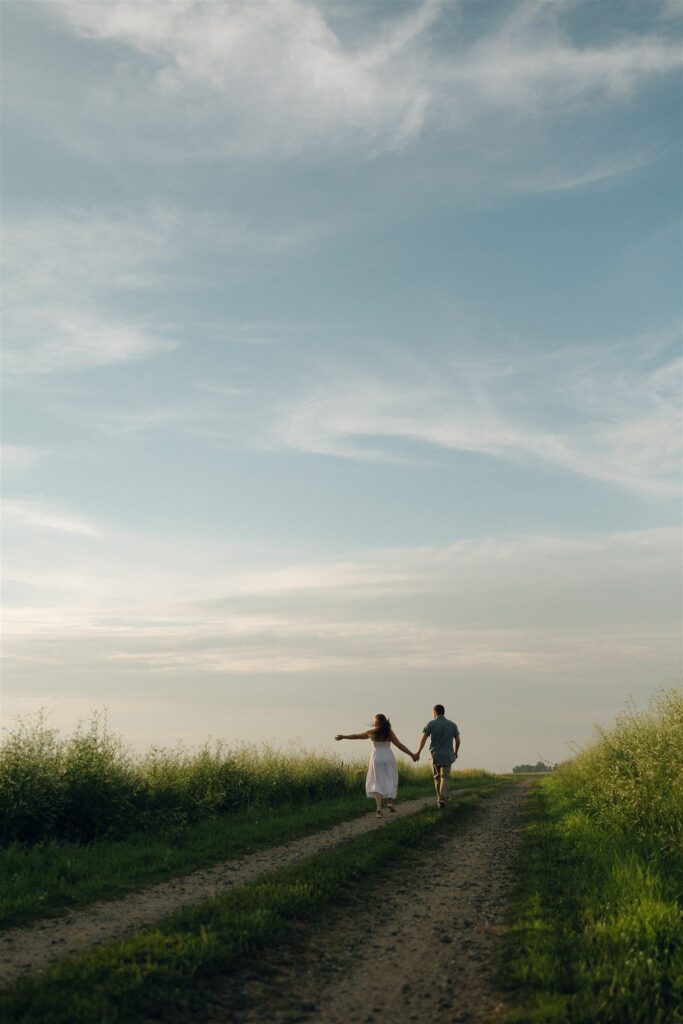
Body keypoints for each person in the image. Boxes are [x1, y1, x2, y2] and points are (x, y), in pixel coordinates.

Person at [335, 714, 418, 817]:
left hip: (376, 758)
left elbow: (356, 736)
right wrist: (412, 755)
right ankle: (390, 802)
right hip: (388, 757)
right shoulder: (389, 732)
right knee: (391, 779)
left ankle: (379, 808)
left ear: (376, 722)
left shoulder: (371, 732)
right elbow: (400, 745)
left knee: (377, 782)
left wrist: (344, 737)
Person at [415, 704, 460, 808]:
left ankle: (440, 799)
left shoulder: (431, 724)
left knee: (436, 778)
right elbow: (458, 740)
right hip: (448, 755)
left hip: (435, 755)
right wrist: (456, 752)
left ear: (434, 712)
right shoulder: (452, 724)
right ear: (443, 712)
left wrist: (418, 752)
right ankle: (443, 798)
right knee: (445, 778)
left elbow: (423, 740)